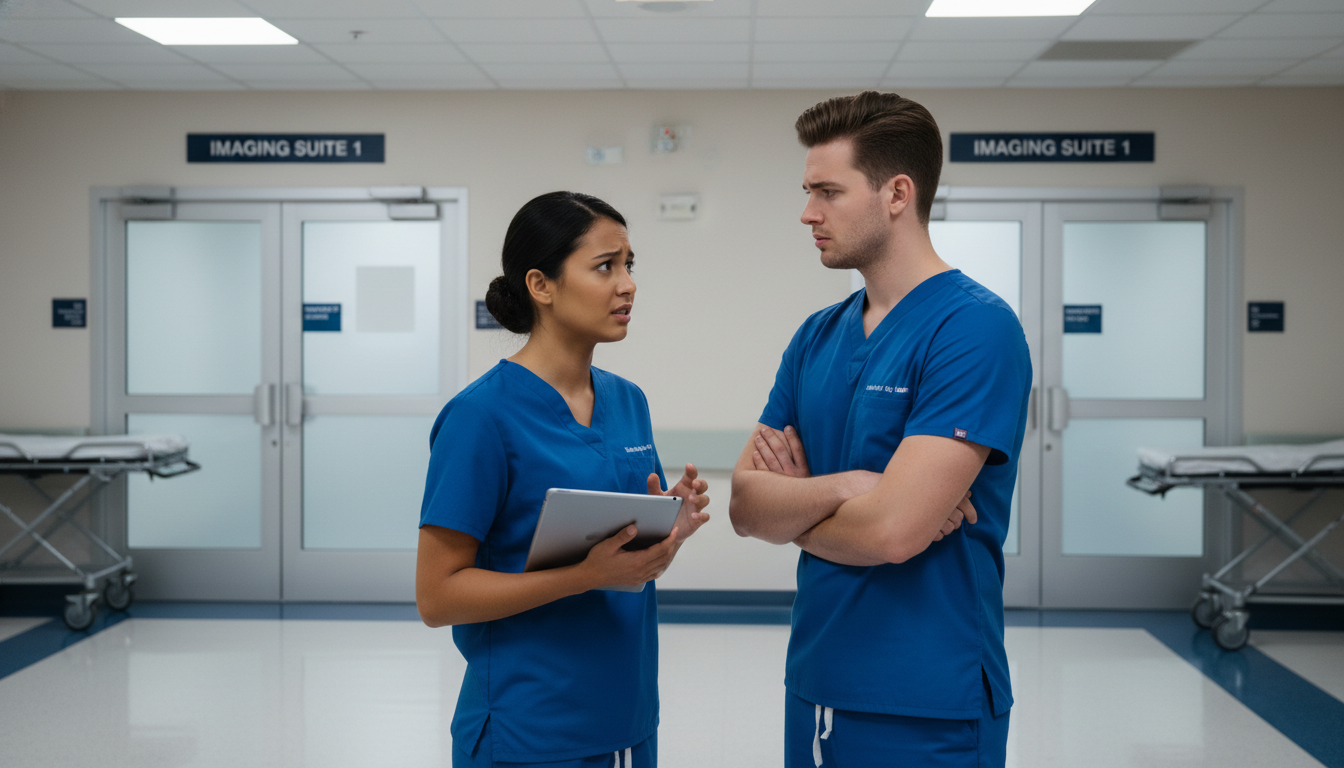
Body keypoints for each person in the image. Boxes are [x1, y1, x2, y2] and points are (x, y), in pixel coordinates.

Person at [728, 92, 1032, 767]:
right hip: (816, 682)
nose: (808, 213)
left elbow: (894, 533)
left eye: (828, 192)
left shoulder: (974, 329)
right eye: (808, 192)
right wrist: (854, 488)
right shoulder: (816, 337)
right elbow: (745, 507)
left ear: (897, 193)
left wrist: (799, 511)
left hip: (927, 699)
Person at [416, 191, 710, 768]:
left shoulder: (628, 402)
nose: (628, 285)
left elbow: (624, 568)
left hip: (627, 720)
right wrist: (583, 576)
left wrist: (666, 531)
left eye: (629, 265)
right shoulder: (481, 417)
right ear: (541, 285)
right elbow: (437, 596)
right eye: (605, 267)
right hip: (530, 730)